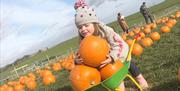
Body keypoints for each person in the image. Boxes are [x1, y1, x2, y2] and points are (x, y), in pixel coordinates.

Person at [74, 0, 148, 90]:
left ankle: (139, 78)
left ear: (94, 23)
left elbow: (119, 44)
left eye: (86, 25)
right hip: (102, 64)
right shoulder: (83, 40)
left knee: (127, 63)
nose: (83, 29)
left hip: (117, 55)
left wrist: (112, 56)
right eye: (80, 27)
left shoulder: (106, 31)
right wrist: (77, 61)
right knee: (106, 74)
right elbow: (82, 54)